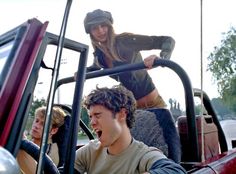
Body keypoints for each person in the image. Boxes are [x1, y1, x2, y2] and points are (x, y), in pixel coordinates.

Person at [74, 85, 186, 174]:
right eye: (90, 116)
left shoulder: (143, 155)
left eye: (97, 115)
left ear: (122, 114)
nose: (92, 123)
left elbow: (176, 171)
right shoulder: (90, 151)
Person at [80, 9, 175, 109]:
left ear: (109, 26)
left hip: (153, 104)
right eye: (95, 28)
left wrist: (160, 58)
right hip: (131, 109)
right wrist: (81, 72)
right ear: (90, 32)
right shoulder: (99, 55)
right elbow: (95, 66)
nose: (100, 31)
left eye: (103, 25)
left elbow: (167, 40)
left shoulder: (126, 40)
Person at [17, 106, 66, 174]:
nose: (36, 125)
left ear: (54, 130)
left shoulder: (53, 152)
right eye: (36, 121)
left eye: (43, 124)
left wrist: (22, 143)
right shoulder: (26, 142)